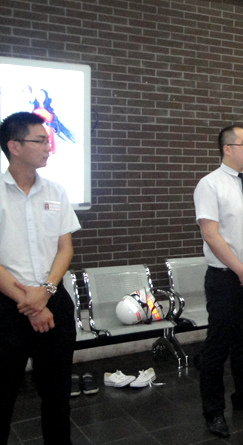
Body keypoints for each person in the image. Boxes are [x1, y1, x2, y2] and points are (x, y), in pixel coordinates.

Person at [0, 112, 80, 445]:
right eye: (41, 140)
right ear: (14, 146)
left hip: (54, 302)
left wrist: (44, 294)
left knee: (58, 395)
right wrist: (29, 302)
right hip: (8, 307)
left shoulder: (56, 191)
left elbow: (65, 248)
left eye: (48, 140)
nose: (49, 147)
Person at [194, 125, 243, 438]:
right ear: (227, 149)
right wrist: (241, 270)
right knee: (218, 346)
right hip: (226, 278)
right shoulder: (209, 184)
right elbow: (210, 234)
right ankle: (213, 411)